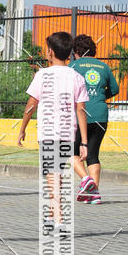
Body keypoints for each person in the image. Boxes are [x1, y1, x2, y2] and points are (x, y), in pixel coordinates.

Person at [18, 31, 89, 222]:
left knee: (51, 173)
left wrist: (22, 128)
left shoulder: (42, 74)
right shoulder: (77, 77)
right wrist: (83, 142)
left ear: (50, 51)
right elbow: (81, 110)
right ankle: (52, 214)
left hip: (48, 132)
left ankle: (58, 217)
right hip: (68, 132)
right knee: (55, 172)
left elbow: (31, 105)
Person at [69, 34, 119, 204]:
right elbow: (114, 89)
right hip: (100, 114)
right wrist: (99, 96)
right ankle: (94, 193)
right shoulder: (104, 67)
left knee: (72, 152)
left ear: (76, 51)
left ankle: (86, 181)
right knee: (93, 154)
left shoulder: (73, 66)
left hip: (80, 114)